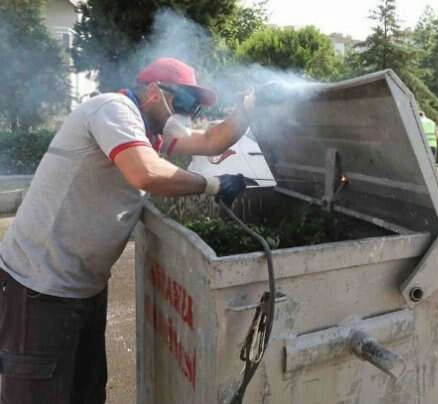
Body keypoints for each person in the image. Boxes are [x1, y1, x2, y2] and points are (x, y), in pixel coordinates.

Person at [0, 57, 254, 404]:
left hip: (83, 287)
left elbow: (211, 140)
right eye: (181, 102)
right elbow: (145, 173)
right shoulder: (113, 109)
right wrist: (212, 184)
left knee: (86, 394)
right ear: (153, 92)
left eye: (192, 106)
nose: (187, 113)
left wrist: (251, 108)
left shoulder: (149, 133)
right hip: (40, 288)